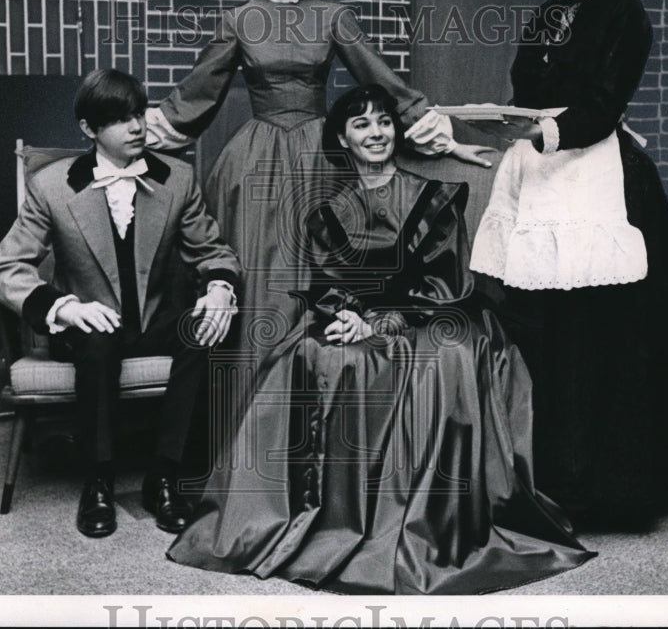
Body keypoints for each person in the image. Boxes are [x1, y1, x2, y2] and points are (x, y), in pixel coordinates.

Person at [166, 85, 594, 595]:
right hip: (365, 318)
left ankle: (417, 523)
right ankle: (320, 517)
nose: (376, 133)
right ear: (343, 139)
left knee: (442, 359)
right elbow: (326, 288)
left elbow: (446, 287)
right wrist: (345, 317)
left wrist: (380, 325)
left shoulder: (431, 197)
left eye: (384, 122)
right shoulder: (328, 210)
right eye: (362, 124)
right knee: (309, 353)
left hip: (436, 317)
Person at [145, 0, 490, 377]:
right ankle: (250, 415)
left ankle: (310, 412)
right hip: (253, 164)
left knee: (316, 277)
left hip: (320, 159)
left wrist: (445, 141)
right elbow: (196, 95)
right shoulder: (240, 19)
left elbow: (384, 82)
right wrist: (124, 140)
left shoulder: (332, 17)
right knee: (258, 284)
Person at [469, 0, 668, 525]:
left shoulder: (620, 9)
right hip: (543, 174)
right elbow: (525, 90)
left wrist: (542, 128)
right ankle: (548, 477)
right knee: (545, 335)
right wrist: (502, 123)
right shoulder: (545, 13)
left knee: (599, 338)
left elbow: (603, 102)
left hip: (599, 178)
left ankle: (607, 489)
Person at [0, 68, 241, 538]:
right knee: (98, 342)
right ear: (89, 129)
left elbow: (213, 251)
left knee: (204, 330)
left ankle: (164, 475)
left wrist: (220, 289)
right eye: (120, 120)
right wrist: (65, 308)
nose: (137, 128)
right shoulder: (52, 186)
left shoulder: (176, 179)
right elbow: (5, 270)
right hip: (89, 323)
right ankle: (98, 480)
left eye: (139, 115)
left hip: (153, 318)